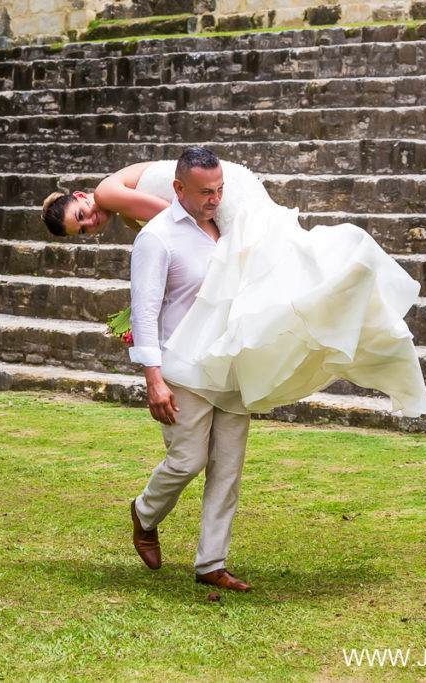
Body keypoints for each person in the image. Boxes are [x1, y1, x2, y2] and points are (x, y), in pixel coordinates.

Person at [41, 152, 426, 419]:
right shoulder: (117, 192)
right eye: (84, 229)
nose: (91, 222)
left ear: (81, 196)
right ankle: (347, 292)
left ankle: (348, 280)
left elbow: (179, 221)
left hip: (210, 197)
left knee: (270, 269)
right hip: (218, 185)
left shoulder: (108, 192)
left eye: (82, 214)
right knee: (279, 266)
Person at [125, 147, 253, 591]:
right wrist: (154, 380)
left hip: (232, 363)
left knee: (228, 466)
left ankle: (211, 564)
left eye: (219, 189)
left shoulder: (231, 226)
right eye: (205, 192)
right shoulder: (157, 238)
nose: (215, 198)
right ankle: (144, 514)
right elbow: (143, 312)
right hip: (183, 366)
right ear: (178, 188)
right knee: (187, 461)